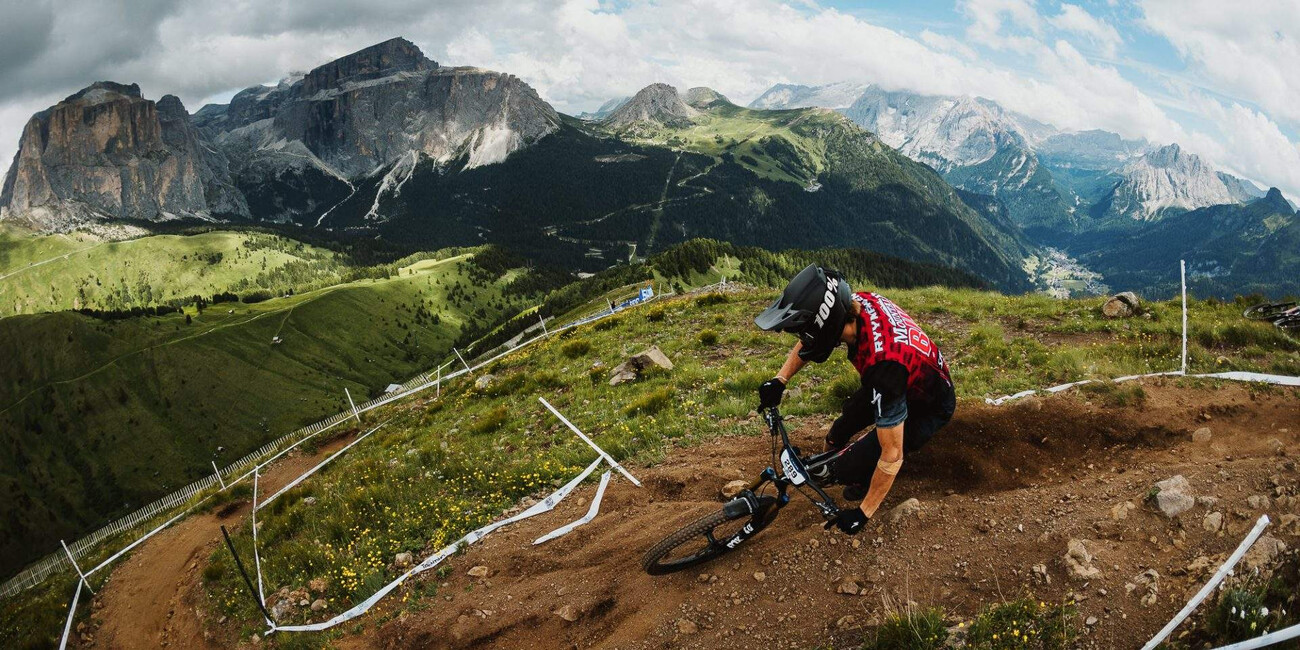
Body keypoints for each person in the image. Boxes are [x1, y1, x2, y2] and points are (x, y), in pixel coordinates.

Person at [753, 264, 956, 535]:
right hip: (898, 378)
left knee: (857, 463)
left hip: (928, 405)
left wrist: (864, 513)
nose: (803, 340)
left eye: (806, 332)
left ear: (826, 327)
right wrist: (780, 380)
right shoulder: (856, 303)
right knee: (840, 430)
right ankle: (846, 463)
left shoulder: (884, 366)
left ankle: (859, 475)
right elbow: (815, 337)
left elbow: (892, 455)